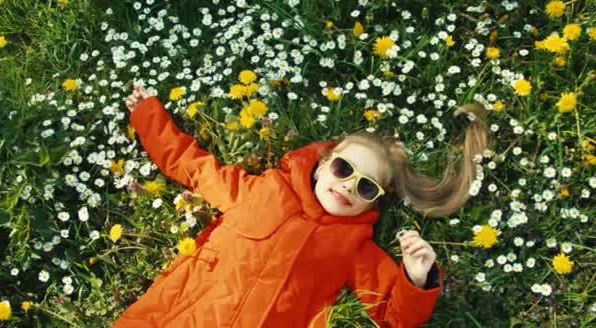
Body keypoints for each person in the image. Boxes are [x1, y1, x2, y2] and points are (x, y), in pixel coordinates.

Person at [114, 85, 488, 327]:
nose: (347, 187)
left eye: (366, 187)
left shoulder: (354, 248)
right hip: (180, 314)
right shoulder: (262, 190)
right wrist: (149, 117)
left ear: (373, 201)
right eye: (343, 169)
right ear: (324, 163)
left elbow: (392, 313)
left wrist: (417, 278)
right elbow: (193, 166)